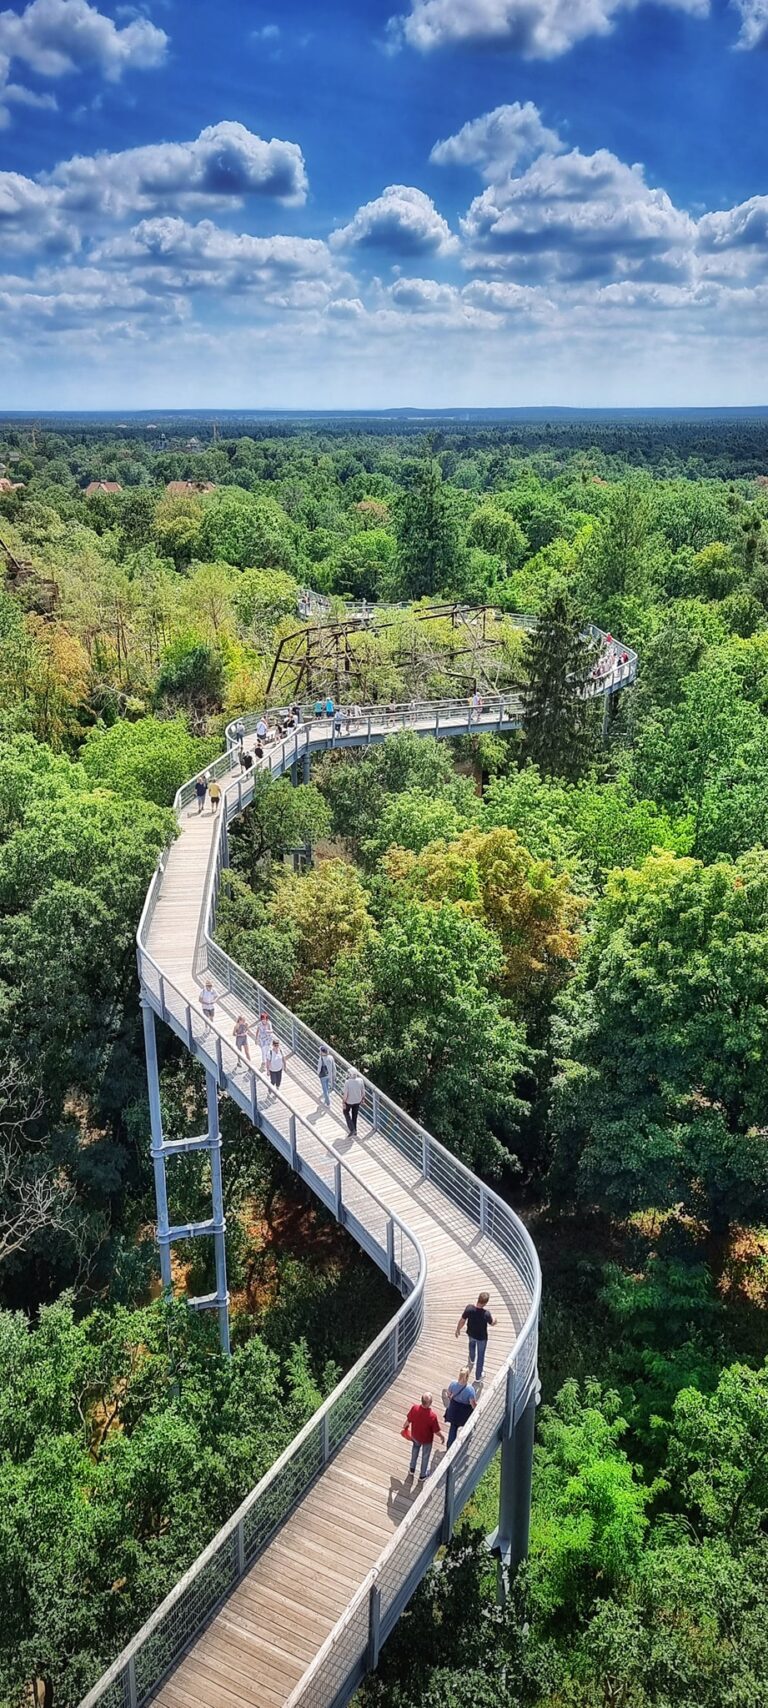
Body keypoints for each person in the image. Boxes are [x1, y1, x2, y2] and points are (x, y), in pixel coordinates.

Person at [455, 1291, 496, 1381]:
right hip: (481, 1338)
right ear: (485, 1303)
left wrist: (458, 1329)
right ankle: (478, 1376)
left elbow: (462, 1321)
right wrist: (495, 1321)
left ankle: (472, 1359)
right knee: (481, 1356)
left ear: (478, 1299)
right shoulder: (486, 1314)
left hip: (471, 1334)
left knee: (471, 1345)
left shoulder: (469, 1308)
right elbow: (492, 1323)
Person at [404, 1393, 444, 1481]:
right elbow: (436, 1431)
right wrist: (442, 1436)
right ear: (430, 1403)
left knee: (415, 1450)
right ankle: (422, 1475)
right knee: (425, 1456)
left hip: (415, 1436)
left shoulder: (414, 1408)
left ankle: (412, 1469)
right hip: (426, 1440)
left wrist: (405, 1427)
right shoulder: (432, 1416)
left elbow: (408, 1420)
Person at [444, 1367, 477, 1448]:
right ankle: (467, 1440)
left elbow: (448, 1394)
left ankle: (449, 1447)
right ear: (467, 1377)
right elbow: (473, 1405)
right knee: (467, 1426)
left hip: (454, 1410)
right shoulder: (470, 1390)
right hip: (464, 1413)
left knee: (453, 1429)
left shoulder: (453, 1384)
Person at [342, 1068, 365, 1135]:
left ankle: (352, 1129)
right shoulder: (360, 1080)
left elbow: (346, 1094)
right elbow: (363, 1091)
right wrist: (363, 1099)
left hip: (349, 1101)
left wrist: (343, 1102)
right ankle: (355, 1130)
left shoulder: (347, 1082)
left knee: (346, 1112)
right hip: (358, 1101)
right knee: (355, 1115)